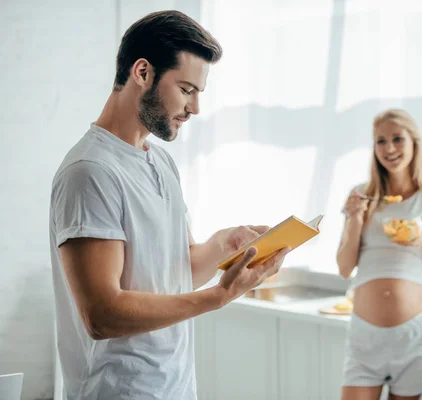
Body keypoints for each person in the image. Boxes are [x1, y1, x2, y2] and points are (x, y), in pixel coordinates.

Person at [49, 10, 290, 400]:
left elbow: (177, 274)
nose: (194, 108)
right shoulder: (90, 172)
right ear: (142, 72)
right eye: (186, 89)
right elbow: (102, 314)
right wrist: (218, 297)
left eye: (198, 94)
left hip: (174, 389)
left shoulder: (159, 161)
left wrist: (225, 245)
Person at [337, 109, 422, 400]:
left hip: (413, 337)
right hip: (365, 336)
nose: (389, 148)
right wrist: (354, 219)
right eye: (380, 141)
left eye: (397, 139)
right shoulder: (361, 197)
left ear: (414, 143)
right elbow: (344, 267)